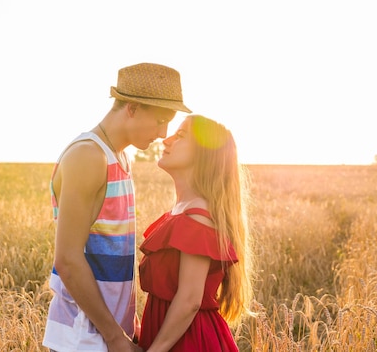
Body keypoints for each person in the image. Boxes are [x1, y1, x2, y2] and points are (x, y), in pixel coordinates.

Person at [42, 62, 192, 352]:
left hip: (107, 334)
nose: (163, 133)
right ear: (132, 108)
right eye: (161, 119)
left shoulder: (119, 157)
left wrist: (127, 324)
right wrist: (114, 338)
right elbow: (68, 260)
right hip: (82, 338)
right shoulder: (88, 156)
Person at [137, 115, 254, 352]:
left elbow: (190, 300)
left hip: (189, 341)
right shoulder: (183, 211)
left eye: (180, 136)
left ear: (204, 154)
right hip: (170, 335)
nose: (166, 140)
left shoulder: (198, 216)